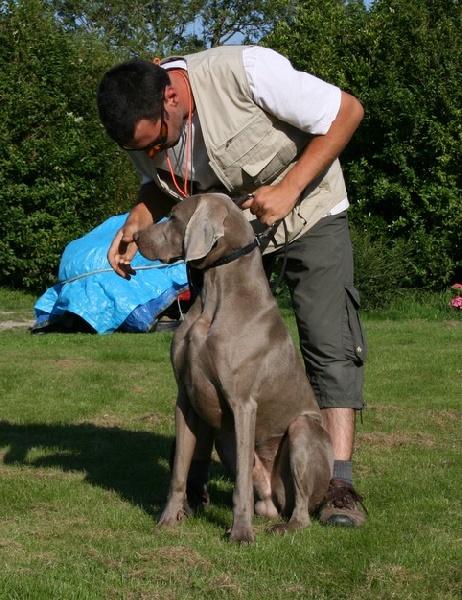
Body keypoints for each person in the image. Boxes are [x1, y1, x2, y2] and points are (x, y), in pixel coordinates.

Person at [97, 45, 368, 527]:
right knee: (205, 356)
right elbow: (159, 189)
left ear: (171, 98)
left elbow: (347, 111)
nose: (151, 154)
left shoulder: (246, 72)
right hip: (226, 247)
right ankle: (195, 483)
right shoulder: (148, 133)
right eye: (139, 151)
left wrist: (290, 188)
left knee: (329, 342)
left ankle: (338, 486)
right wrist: (136, 222)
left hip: (309, 215)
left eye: (155, 143)